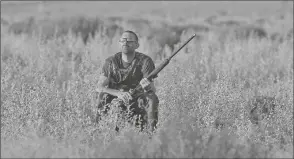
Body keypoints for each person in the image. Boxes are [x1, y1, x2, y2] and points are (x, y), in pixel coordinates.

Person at [95, 30, 159, 133]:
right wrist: (118, 94)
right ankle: (98, 131)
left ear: (136, 45)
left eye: (129, 41)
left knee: (152, 98)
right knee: (102, 96)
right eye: (123, 40)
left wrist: (147, 87)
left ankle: (151, 134)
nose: (125, 43)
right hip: (116, 99)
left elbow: (153, 89)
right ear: (119, 43)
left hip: (138, 98)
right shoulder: (111, 62)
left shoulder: (145, 61)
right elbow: (99, 87)